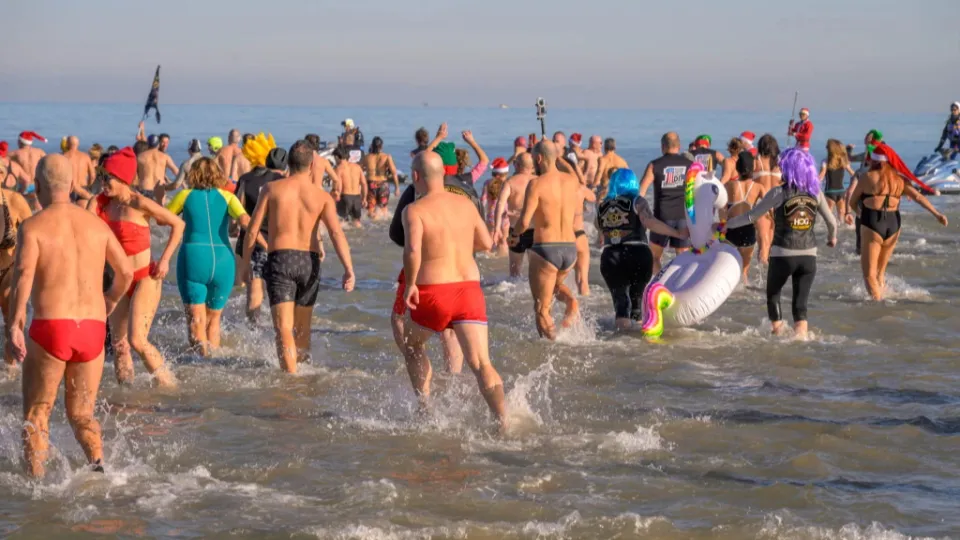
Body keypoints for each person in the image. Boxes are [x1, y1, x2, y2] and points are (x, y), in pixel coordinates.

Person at [8, 155, 133, 478]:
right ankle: (98, 469)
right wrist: (109, 301)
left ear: (39, 185)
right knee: (82, 415)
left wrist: (14, 325)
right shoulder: (96, 224)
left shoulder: (33, 226)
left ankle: (36, 488)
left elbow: (22, 275)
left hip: (52, 327)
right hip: (91, 329)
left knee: (38, 413)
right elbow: (126, 272)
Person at [400, 150, 506, 428]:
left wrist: (410, 284)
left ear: (415, 177)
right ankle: (503, 421)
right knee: (482, 363)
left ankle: (425, 408)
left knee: (412, 345)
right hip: (469, 291)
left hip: (433, 292)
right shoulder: (466, 204)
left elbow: (412, 250)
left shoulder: (414, 210)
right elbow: (485, 243)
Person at [241, 141, 355, 374]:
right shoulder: (322, 197)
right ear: (313, 165)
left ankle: (291, 381)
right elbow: (336, 233)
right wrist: (349, 269)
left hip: (281, 259)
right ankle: (303, 372)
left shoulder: (272, 189)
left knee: (283, 328)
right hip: (309, 261)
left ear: (288, 164)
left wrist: (245, 265)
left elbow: (252, 230)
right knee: (302, 328)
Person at [87, 148, 183, 387]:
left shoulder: (139, 203)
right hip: (119, 281)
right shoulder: (100, 204)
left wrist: (165, 260)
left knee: (137, 340)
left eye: (107, 177)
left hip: (145, 278)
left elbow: (178, 224)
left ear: (121, 178)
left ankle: (171, 388)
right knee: (119, 347)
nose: (102, 182)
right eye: (101, 176)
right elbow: (84, 230)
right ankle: (127, 398)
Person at [725, 148, 838, 338]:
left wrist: (725, 225)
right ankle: (800, 340)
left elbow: (751, 216)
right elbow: (832, 223)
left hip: (782, 254)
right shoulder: (815, 192)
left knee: (773, 296)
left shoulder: (779, 192)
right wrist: (831, 238)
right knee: (800, 305)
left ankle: (778, 336)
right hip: (809, 256)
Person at [166, 158, 262, 356]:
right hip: (223, 261)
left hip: (194, 258)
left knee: (196, 320)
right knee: (214, 320)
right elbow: (246, 221)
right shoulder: (228, 197)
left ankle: (198, 367)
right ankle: (214, 364)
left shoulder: (185, 195)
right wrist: (267, 244)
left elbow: (163, 218)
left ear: (193, 174)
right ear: (218, 175)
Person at [846, 143, 948, 301]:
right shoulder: (899, 179)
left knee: (869, 275)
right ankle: (885, 298)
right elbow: (918, 197)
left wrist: (859, 214)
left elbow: (852, 202)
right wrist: (937, 214)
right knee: (880, 273)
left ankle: (879, 307)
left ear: (874, 160)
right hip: (894, 224)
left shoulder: (867, 177)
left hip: (872, 222)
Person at [598, 169, 687, 330]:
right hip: (637, 254)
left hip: (610, 256)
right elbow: (649, 221)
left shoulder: (602, 205)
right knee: (637, 303)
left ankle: (621, 343)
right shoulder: (637, 200)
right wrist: (676, 232)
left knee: (621, 304)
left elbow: (601, 230)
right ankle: (638, 345)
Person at [511, 141, 580, 340]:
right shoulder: (571, 181)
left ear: (539, 159)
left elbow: (524, 221)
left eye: (533, 158)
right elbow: (573, 172)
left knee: (541, 308)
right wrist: (558, 158)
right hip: (570, 249)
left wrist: (514, 235)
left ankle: (552, 348)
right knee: (554, 288)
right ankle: (571, 302)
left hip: (546, 249)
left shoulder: (536, 183)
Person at [235, 148, 288, 323]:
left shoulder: (245, 179)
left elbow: (238, 211)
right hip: (277, 241)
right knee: (280, 290)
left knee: (254, 287)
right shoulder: (283, 182)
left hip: (252, 241)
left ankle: (254, 329)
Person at [638, 132, 693, 274]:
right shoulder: (690, 165)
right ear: (679, 146)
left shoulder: (654, 165)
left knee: (654, 257)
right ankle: (682, 286)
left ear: (663, 147)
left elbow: (641, 193)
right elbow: (698, 192)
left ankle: (661, 285)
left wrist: (640, 216)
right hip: (683, 217)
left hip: (661, 218)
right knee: (683, 257)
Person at [0, 183, 35, 371]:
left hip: (8, 269)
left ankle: (11, 373)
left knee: (12, 324)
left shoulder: (14, 200)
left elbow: (34, 234)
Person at [721, 151, 767, 285]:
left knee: (725, 269)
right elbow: (769, 207)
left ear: (737, 168)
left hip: (730, 231)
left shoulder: (729, 185)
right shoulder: (759, 187)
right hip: (749, 230)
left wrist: (720, 226)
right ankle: (744, 291)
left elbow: (721, 208)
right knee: (744, 272)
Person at [493, 153, 536, 277]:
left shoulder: (510, 182)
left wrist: (497, 228)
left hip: (516, 231)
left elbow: (500, 204)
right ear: (532, 166)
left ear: (516, 165)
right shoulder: (538, 181)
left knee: (514, 274)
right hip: (536, 231)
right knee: (536, 272)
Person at [753, 134, 783, 264]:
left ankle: (761, 279)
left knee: (764, 243)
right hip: (778, 206)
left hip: (762, 205)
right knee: (771, 245)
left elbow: (746, 183)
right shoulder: (780, 164)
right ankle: (768, 278)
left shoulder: (756, 161)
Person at [818, 139, 857, 221]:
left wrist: (810, 183)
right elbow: (853, 174)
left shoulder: (825, 162)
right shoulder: (843, 162)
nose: (826, 148)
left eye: (827, 147)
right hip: (841, 192)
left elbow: (821, 176)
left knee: (827, 218)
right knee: (841, 219)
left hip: (830, 192)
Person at [359, 136, 397, 219]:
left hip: (371, 184)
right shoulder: (387, 157)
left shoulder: (367, 157)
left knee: (370, 211)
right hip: (383, 184)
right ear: (381, 146)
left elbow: (358, 170)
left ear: (372, 146)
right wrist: (397, 188)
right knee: (384, 211)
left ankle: (373, 227)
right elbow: (394, 173)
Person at [11, 131, 47, 211]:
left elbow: (2, 158)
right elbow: (49, 162)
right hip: (37, 185)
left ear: (20, 141)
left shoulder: (16, 153)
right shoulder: (39, 152)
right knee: (38, 210)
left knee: (21, 211)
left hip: (23, 186)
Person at [137, 135, 179, 202]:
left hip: (144, 188)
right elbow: (176, 172)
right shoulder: (165, 157)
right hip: (159, 190)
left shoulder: (140, 157)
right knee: (159, 210)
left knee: (144, 211)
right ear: (158, 144)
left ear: (148, 144)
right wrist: (180, 185)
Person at [334, 146, 367, 227]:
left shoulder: (339, 169)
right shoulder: (357, 167)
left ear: (337, 157)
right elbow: (364, 183)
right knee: (357, 223)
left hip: (345, 197)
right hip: (357, 198)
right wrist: (364, 198)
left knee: (342, 223)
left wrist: (336, 195)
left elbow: (338, 186)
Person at [572, 185, 596, 296]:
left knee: (556, 282)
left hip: (560, 238)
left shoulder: (551, 188)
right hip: (578, 235)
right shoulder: (579, 189)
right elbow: (593, 197)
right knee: (583, 281)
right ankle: (584, 309)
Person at [483, 157, 510, 255]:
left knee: (490, 241)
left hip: (491, 217)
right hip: (505, 216)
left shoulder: (487, 183)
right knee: (504, 240)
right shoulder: (507, 184)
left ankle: (488, 257)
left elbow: (483, 200)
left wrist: (482, 215)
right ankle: (503, 259)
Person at [62, 136, 95, 206]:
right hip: (83, 187)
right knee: (83, 214)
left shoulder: (63, 157)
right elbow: (92, 175)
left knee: (70, 214)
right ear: (78, 144)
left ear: (67, 144)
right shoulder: (86, 157)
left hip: (69, 189)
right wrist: (89, 185)